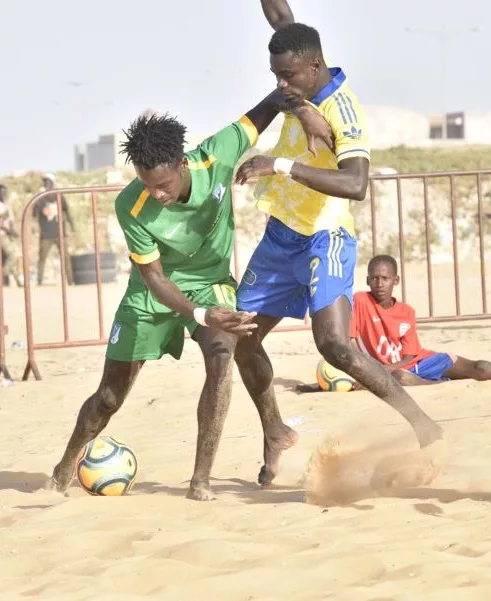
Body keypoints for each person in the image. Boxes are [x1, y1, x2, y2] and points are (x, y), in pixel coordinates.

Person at [47, 88, 331, 501]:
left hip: (210, 283)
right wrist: (201, 315)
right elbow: (155, 279)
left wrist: (305, 112)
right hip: (152, 294)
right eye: (149, 185)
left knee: (223, 356)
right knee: (109, 397)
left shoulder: (217, 152)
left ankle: (201, 480)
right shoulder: (132, 203)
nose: (157, 194)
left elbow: (273, 102)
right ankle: (63, 468)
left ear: (183, 163)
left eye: (163, 184)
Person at [233, 0, 443, 488]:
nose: (279, 86)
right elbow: (283, 21)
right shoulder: (300, 65)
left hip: (325, 233)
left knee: (334, 346)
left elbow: (356, 184)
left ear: (313, 67)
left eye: (287, 77)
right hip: (281, 232)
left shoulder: (344, 109)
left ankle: (423, 426)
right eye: (275, 76)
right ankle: (275, 430)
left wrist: (279, 164)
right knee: (241, 338)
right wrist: (297, 105)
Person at [349, 254, 491, 386]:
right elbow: (350, 341)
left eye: (385, 278)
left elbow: (409, 356)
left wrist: (385, 369)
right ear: (368, 281)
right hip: (396, 373)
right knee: (402, 378)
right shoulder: (360, 301)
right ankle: (435, 384)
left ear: (396, 280)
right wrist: (369, 372)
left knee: (482, 368)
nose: (379, 284)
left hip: (421, 362)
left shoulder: (407, 311)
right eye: (375, 278)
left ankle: (432, 379)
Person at [33, 173, 75, 285]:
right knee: (42, 258)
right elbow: (34, 214)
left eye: (48, 182)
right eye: (45, 182)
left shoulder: (59, 196)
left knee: (66, 258)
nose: (46, 184)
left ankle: (71, 281)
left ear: (52, 183)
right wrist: (38, 200)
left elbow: (67, 211)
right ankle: (39, 281)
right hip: (46, 234)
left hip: (60, 232)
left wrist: (72, 226)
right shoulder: (40, 198)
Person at [0, 184, 22, 287]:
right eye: (1, 191)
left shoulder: (6, 204)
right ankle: (4, 274)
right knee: (12, 255)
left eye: (4, 191)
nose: (3, 194)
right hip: (2, 234)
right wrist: (9, 231)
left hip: (8, 234)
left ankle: (17, 279)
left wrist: (13, 230)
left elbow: (10, 220)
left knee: (15, 256)